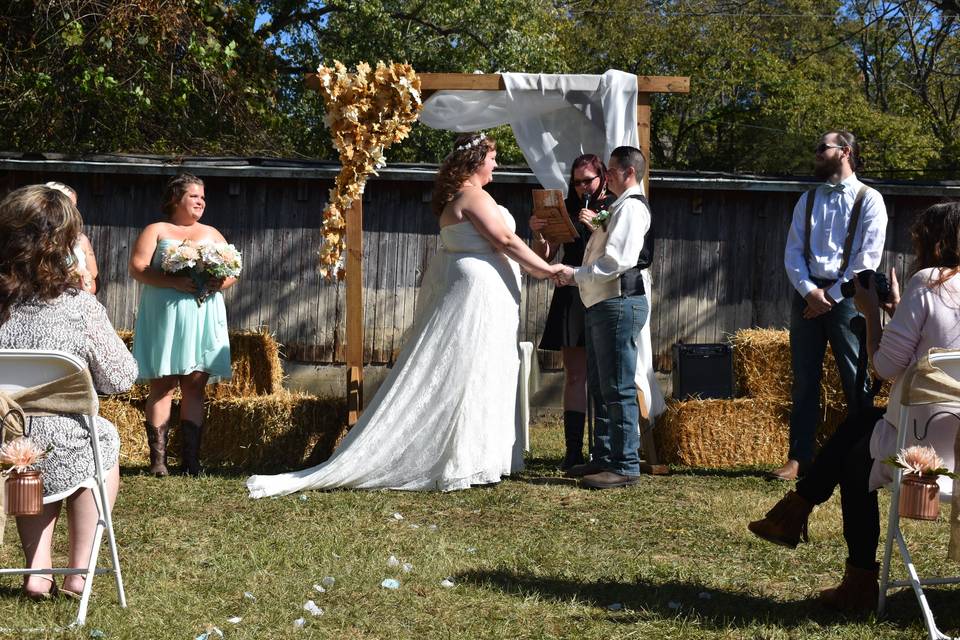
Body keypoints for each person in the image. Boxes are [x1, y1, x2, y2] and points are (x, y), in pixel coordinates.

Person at [246, 132, 562, 496]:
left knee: (480, 369)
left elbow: (509, 244)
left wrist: (540, 250)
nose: (496, 164)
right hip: (478, 296)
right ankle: (462, 460)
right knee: (470, 369)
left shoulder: (464, 196)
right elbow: (505, 241)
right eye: (492, 158)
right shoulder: (473, 196)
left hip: (486, 294)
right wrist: (548, 271)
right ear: (476, 161)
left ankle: (477, 456)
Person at [748, 201, 960, 612]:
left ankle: (855, 576)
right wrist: (898, 311)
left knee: (853, 459)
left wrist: (870, 316)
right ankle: (796, 511)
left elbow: (884, 365)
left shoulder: (929, 281)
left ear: (933, 244)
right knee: (862, 421)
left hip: (925, 446)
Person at [0, 184, 137, 599]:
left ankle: (37, 573)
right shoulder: (77, 306)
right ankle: (78, 574)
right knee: (99, 437)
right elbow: (121, 377)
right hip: (63, 437)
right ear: (64, 243)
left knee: (25, 449)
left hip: (5, 434)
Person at [772, 130, 888, 481]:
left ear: (845, 152)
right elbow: (793, 251)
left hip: (850, 296)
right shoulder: (807, 199)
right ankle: (799, 458)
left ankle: (863, 457)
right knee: (804, 378)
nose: (816, 153)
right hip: (807, 296)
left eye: (822, 147)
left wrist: (833, 296)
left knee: (855, 378)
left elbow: (868, 256)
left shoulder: (870, 199)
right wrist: (809, 292)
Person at [555, 146, 653, 489]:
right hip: (601, 302)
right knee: (599, 384)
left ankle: (625, 464)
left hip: (619, 300)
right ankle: (604, 456)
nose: (606, 176)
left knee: (618, 385)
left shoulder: (631, 210)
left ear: (628, 172)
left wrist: (575, 274)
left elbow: (616, 261)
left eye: (610, 170)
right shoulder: (618, 207)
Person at [129, 173, 236, 477]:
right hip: (166, 314)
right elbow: (137, 267)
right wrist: (171, 282)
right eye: (194, 196)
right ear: (176, 198)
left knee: (194, 384)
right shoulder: (157, 230)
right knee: (163, 384)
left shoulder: (212, 233)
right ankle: (158, 461)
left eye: (203, 197)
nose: (201, 202)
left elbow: (233, 270)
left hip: (202, 313)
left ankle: (191, 460)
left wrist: (219, 283)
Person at [530, 154, 614, 470]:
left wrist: (598, 226)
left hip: (603, 290)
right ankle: (572, 451)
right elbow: (547, 255)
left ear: (603, 177)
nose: (582, 187)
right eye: (577, 182)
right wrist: (540, 233)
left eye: (588, 180)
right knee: (575, 374)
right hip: (571, 292)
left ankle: (604, 450)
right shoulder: (564, 206)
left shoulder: (615, 207)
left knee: (604, 375)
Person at [44, 182, 99, 294]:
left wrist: (84, 287)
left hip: (77, 301)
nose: (74, 212)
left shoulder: (80, 240)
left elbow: (94, 278)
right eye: (68, 205)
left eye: (74, 206)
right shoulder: (34, 240)